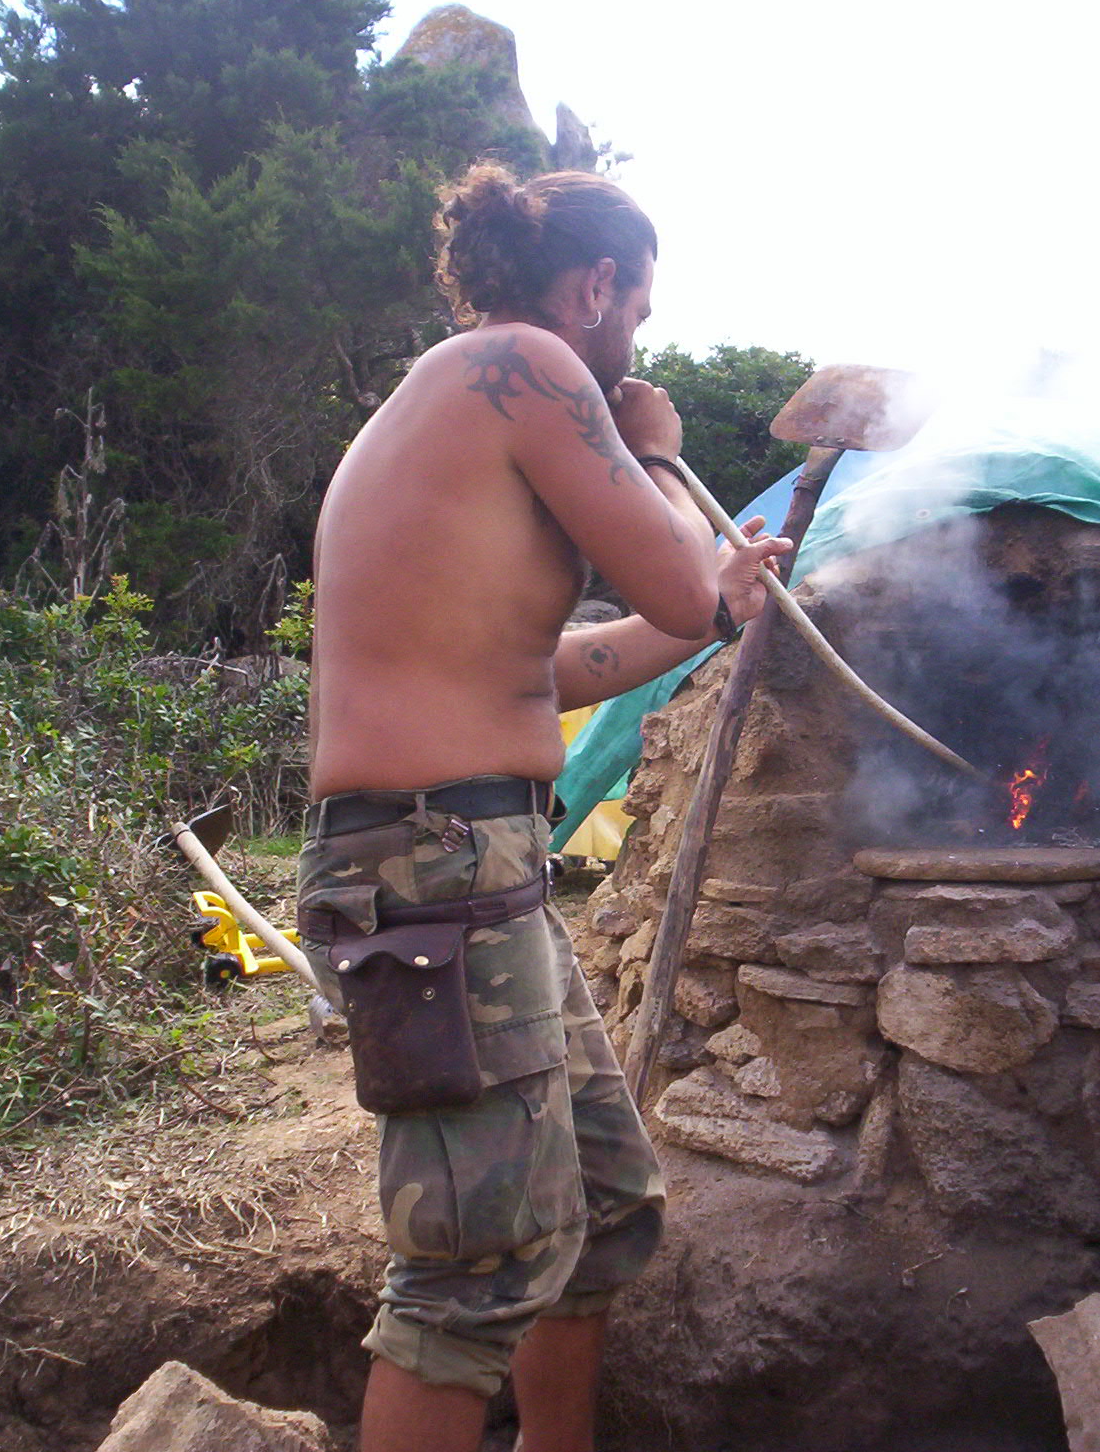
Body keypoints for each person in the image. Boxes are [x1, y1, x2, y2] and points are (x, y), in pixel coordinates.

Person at [298, 162, 790, 1452]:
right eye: (638, 306)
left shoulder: (458, 399)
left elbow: (556, 665)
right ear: (599, 283)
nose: (639, 336)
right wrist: (662, 460)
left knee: (606, 1208)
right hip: (430, 865)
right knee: (473, 1273)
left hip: (468, 862)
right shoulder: (525, 363)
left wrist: (717, 597)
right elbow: (678, 594)